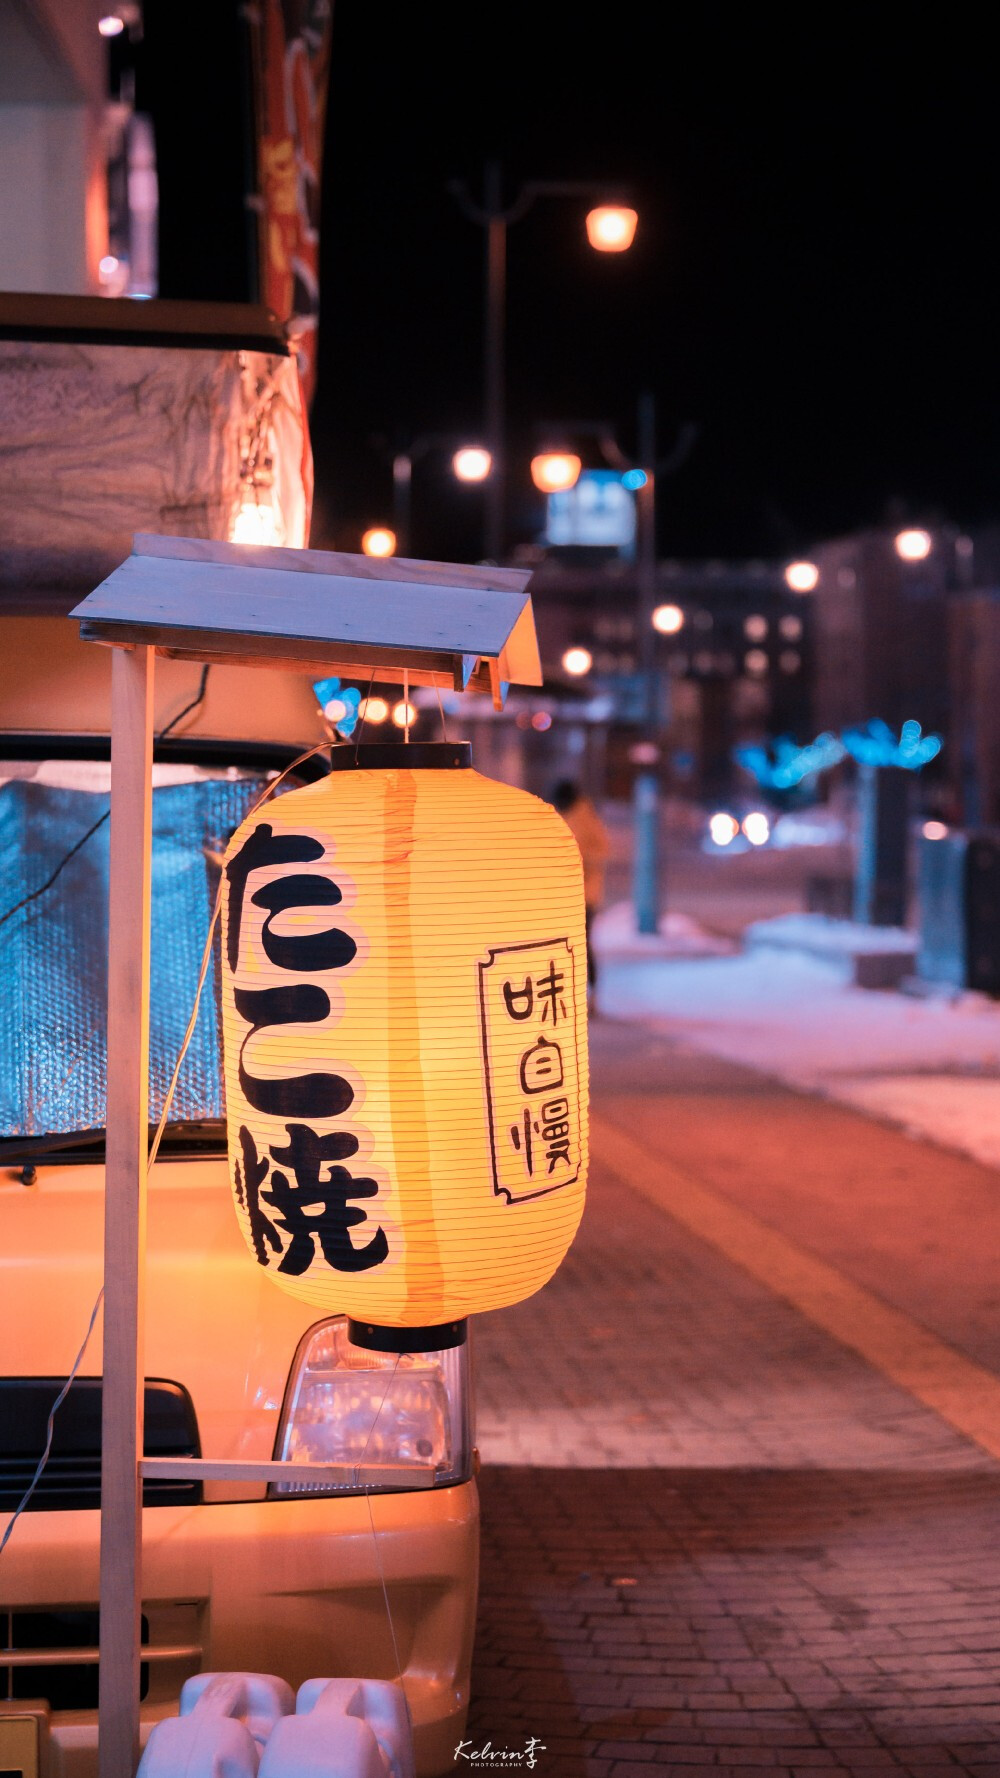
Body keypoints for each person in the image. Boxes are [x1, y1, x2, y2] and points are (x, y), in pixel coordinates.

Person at [550, 779, 609, 1001]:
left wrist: (578, 860)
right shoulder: (558, 814)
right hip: (564, 895)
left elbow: (602, 851)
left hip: (585, 896)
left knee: (582, 944)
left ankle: (591, 993)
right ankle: (571, 992)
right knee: (565, 945)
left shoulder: (586, 817)